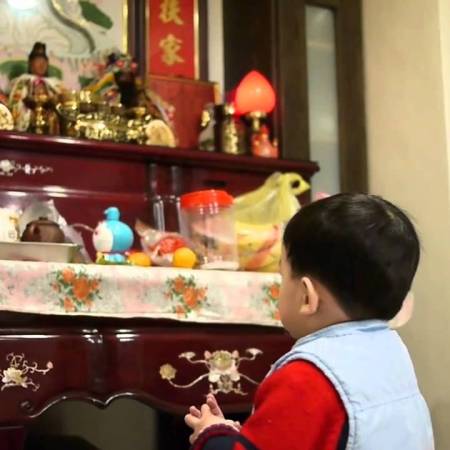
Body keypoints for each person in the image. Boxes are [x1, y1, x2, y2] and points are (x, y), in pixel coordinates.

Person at [185, 193, 434, 450]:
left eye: (283, 276)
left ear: (307, 296)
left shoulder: (305, 379)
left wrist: (212, 434)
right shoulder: (391, 352)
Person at [9, 42, 63, 131]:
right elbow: (15, 104)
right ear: (31, 64)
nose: (42, 64)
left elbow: (61, 104)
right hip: (28, 119)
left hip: (48, 118)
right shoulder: (22, 81)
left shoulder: (54, 83)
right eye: (38, 60)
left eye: (44, 61)